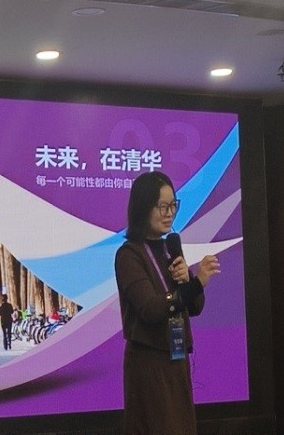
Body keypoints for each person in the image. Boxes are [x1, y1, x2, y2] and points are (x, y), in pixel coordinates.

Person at [115, 171, 221, 434]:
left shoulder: (170, 248)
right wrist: (197, 283)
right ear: (144, 208)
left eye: (173, 205)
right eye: (163, 206)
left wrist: (188, 280)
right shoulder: (129, 255)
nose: (170, 213)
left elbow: (194, 307)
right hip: (149, 364)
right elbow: (151, 309)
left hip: (177, 359)